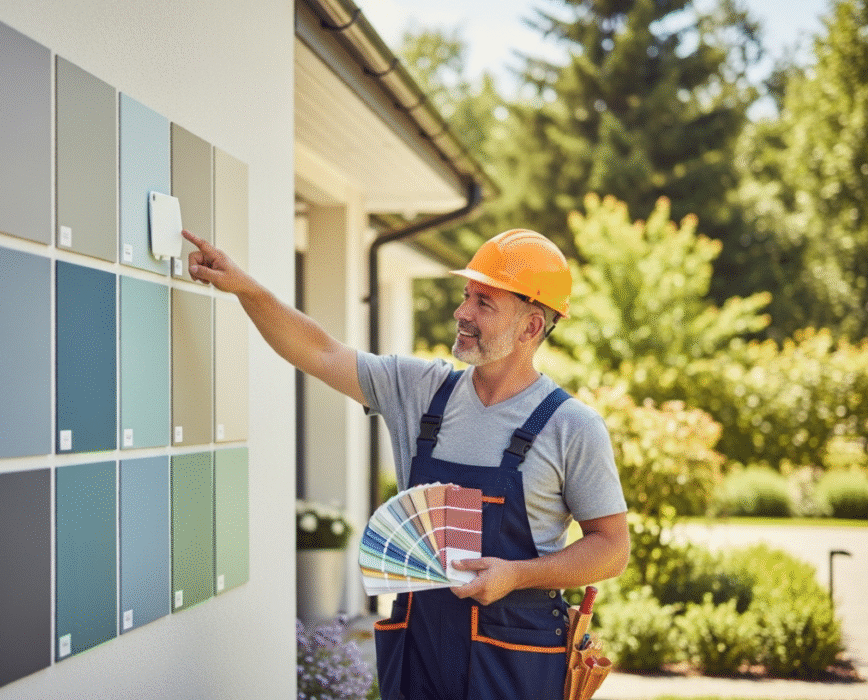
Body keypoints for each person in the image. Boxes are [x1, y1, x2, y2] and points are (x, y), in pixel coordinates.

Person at [182, 227, 629, 700]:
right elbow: (319, 351)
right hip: (422, 647)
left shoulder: (571, 426)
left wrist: (517, 574)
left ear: (532, 326)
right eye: (466, 296)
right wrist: (244, 287)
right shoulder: (419, 391)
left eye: (484, 303)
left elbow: (612, 548)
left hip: (513, 658)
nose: (462, 313)